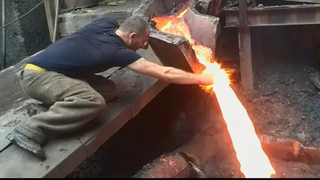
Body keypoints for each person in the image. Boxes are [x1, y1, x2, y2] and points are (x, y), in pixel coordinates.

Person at [6, 15, 213, 160]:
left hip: (59, 74)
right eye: (143, 42)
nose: (144, 47)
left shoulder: (107, 24)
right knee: (93, 101)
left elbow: (134, 21)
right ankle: (32, 129)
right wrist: (202, 78)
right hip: (37, 76)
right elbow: (165, 73)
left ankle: (53, 107)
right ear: (131, 37)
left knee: (109, 91)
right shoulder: (117, 52)